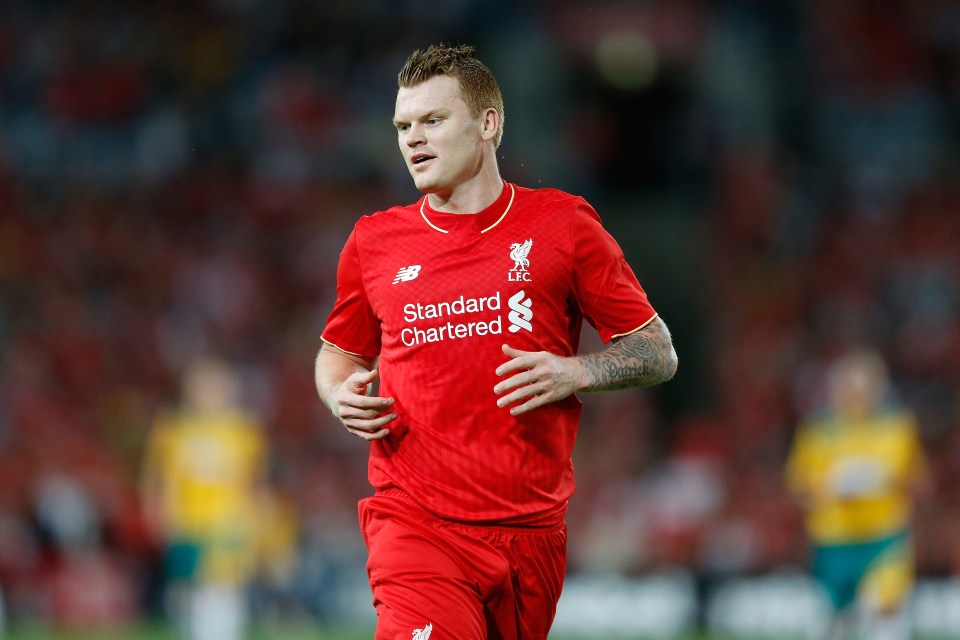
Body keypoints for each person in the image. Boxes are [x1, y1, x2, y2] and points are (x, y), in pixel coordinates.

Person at [314, 43, 677, 640]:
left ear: (487, 124)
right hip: (416, 521)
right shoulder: (374, 241)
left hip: (532, 533)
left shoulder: (562, 226)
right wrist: (336, 394)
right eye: (403, 125)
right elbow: (340, 350)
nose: (413, 138)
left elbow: (656, 350)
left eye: (433, 120)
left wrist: (577, 372)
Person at [786, 349, 929, 640]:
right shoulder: (818, 432)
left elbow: (920, 483)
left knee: (886, 610)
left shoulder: (897, 428)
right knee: (832, 621)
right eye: (850, 387)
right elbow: (798, 488)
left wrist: (888, 482)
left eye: (865, 386)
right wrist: (831, 488)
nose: (857, 395)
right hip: (834, 538)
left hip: (884, 535)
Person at [141, 357, 269, 640]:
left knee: (222, 586)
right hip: (187, 522)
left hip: (227, 521)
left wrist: (254, 517)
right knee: (186, 593)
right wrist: (159, 512)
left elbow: (254, 480)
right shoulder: (174, 430)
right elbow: (158, 477)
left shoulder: (243, 432)